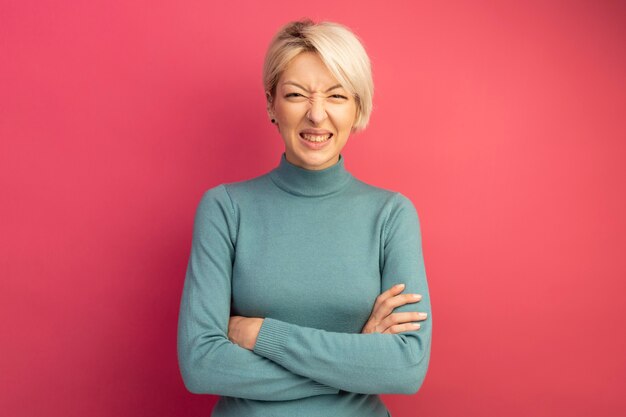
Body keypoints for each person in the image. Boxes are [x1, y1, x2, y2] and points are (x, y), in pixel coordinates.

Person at [177, 18, 432, 417]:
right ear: (270, 104)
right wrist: (357, 362)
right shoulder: (225, 209)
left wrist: (261, 333)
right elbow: (201, 365)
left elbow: (406, 368)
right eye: (296, 94)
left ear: (358, 107)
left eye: (336, 96)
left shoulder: (391, 215)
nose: (316, 115)